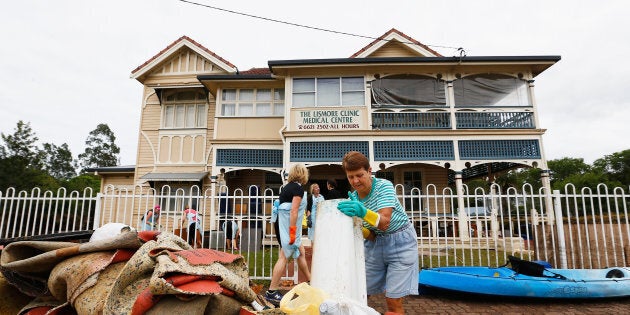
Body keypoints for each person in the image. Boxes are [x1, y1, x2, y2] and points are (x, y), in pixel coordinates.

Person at [337, 151, 419, 315]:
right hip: (375, 245)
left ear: (369, 171)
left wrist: (362, 212)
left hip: (400, 242)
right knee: (359, 293)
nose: (355, 181)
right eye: (350, 177)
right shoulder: (354, 198)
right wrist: (360, 227)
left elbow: (384, 222)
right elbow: (373, 234)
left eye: (359, 175)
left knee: (393, 300)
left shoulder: (383, 186)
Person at [265, 163, 311, 306]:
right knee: (284, 256)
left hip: (282, 224)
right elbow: (294, 211)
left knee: (301, 252)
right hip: (289, 227)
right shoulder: (297, 188)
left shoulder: (287, 187)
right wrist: (292, 234)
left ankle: (311, 282)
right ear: (303, 174)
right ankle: (272, 291)